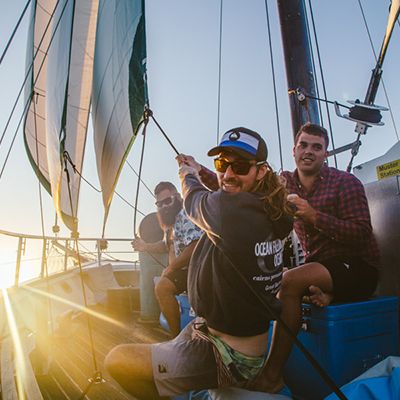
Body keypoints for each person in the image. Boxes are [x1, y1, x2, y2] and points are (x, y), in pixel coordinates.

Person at [105, 127, 293, 399]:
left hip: (228, 355)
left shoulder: (231, 212)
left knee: (118, 359)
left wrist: (188, 174)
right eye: (222, 164)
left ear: (261, 171)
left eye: (239, 166)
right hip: (217, 334)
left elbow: (193, 200)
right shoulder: (267, 207)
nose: (228, 174)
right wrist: (205, 171)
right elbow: (230, 189)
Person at [258, 122, 380, 393]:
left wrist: (314, 216)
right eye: (303, 145)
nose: (309, 151)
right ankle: (328, 294)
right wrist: (199, 174)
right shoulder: (286, 182)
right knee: (271, 287)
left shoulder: (345, 183)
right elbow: (248, 183)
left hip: (359, 267)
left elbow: (362, 234)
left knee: (289, 282)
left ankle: (271, 376)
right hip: (320, 266)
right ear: (294, 150)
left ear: (326, 154)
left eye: (317, 147)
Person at [132, 181, 202, 338]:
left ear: (177, 197)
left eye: (168, 201)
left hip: (199, 268)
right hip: (184, 270)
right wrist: (145, 246)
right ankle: (177, 337)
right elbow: (165, 245)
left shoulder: (186, 214)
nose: (164, 207)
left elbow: (196, 245)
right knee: (162, 287)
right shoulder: (170, 223)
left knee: (163, 284)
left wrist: (171, 268)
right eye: (160, 204)